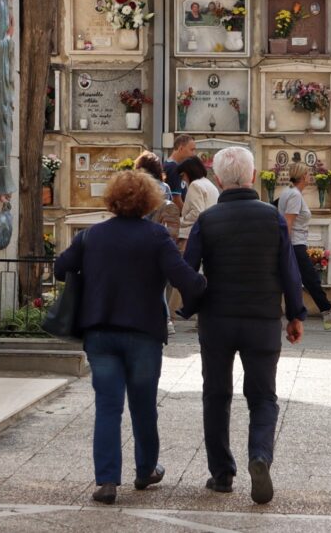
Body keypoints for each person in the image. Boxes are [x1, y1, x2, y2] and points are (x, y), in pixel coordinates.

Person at [54, 171, 206, 506]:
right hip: (143, 335)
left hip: (100, 333)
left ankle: (107, 481)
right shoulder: (156, 236)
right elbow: (185, 279)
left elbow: (60, 267)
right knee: (143, 406)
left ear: (112, 199)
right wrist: (210, 288)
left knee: (107, 407)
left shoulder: (91, 236)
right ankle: (146, 469)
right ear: (149, 201)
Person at [177, 146, 306, 505]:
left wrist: (191, 306)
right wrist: (295, 314)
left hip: (217, 321)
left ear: (218, 179)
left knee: (215, 396)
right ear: (251, 176)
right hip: (262, 320)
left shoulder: (208, 219)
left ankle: (222, 475)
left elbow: (189, 272)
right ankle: (259, 458)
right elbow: (289, 269)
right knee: (263, 396)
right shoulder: (273, 217)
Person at [277, 162, 331, 331]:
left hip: (294, 244)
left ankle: (305, 315)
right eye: (309, 174)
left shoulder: (288, 192)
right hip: (294, 245)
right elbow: (287, 223)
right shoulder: (294, 195)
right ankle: (327, 314)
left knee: (295, 281)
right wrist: (286, 248)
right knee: (310, 280)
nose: (310, 177)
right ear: (303, 177)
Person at [135, 151, 179, 336]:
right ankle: (166, 320)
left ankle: (149, 319)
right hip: (159, 237)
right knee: (158, 281)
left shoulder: (138, 187)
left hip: (138, 237)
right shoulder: (165, 187)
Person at [177, 156, 220, 251]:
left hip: (192, 236)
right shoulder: (209, 184)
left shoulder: (195, 185)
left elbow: (197, 213)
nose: (183, 179)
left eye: (182, 175)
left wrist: (181, 221)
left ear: (189, 172)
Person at [164, 135, 197, 212]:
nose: (194, 154)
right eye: (192, 150)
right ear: (181, 148)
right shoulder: (174, 168)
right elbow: (176, 200)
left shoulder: (171, 165)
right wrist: (188, 216)